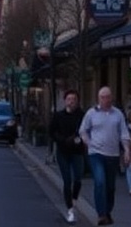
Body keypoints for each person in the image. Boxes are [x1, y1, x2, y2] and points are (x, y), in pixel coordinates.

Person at [79, 86, 131, 226]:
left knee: (110, 186)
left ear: (111, 98)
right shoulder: (91, 113)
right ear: (98, 99)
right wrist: (89, 143)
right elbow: (83, 130)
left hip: (112, 154)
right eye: (102, 97)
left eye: (107, 97)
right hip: (96, 153)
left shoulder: (118, 114)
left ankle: (107, 211)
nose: (105, 100)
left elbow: (124, 134)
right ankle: (101, 214)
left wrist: (126, 150)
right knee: (100, 181)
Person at [50, 89, 86, 224]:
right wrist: (62, 140)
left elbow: (87, 131)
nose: (71, 102)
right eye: (69, 99)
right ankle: (70, 210)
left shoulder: (82, 116)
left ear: (77, 101)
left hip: (77, 151)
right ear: (65, 101)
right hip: (63, 151)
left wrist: (80, 139)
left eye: (74, 99)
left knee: (78, 178)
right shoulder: (58, 116)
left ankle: (74, 199)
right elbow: (52, 132)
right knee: (67, 180)